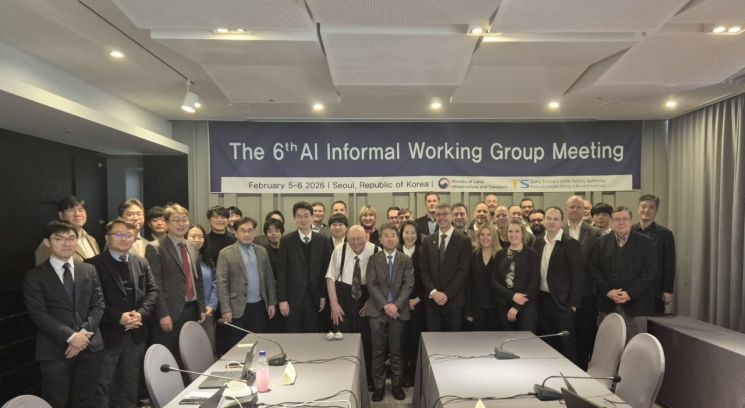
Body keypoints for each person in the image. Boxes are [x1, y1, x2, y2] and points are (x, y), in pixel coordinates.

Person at [24, 220, 104, 408]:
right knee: (56, 401)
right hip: (54, 349)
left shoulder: (88, 269)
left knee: (85, 400)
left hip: (89, 346)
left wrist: (82, 335)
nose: (66, 243)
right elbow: (38, 313)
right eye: (59, 239)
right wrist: (71, 337)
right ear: (47, 242)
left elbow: (99, 305)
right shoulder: (34, 276)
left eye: (71, 238)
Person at [86, 220, 158, 408]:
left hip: (136, 333)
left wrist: (141, 314)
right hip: (107, 334)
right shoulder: (92, 265)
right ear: (107, 238)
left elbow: (153, 291)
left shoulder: (140, 262)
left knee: (130, 385)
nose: (124, 239)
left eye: (129, 235)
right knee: (103, 386)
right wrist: (119, 317)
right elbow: (92, 300)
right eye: (118, 234)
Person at [145, 203, 206, 366]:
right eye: (176, 220)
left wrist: (201, 308)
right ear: (166, 223)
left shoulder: (192, 247)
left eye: (184, 220)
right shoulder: (155, 248)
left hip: (191, 310)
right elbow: (155, 285)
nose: (181, 224)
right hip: (170, 313)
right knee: (167, 359)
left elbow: (198, 280)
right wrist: (162, 314)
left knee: (188, 356)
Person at [591, 206, 657, 341]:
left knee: (635, 346)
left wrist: (630, 294)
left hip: (636, 306)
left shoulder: (645, 243)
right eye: (617, 219)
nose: (621, 222)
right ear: (612, 222)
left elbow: (650, 273)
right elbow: (594, 270)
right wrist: (608, 291)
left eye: (624, 219)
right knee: (608, 345)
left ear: (630, 221)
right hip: (607, 305)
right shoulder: (600, 243)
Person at [366, 223, 414, 402]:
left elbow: (408, 284)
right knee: (377, 352)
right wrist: (386, 305)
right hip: (377, 312)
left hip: (398, 312)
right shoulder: (373, 259)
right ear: (380, 239)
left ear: (398, 237)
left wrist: (396, 305)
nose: (390, 238)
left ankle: (397, 386)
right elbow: (371, 284)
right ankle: (379, 387)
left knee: (397, 351)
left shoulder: (405, 259)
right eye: (385, 235)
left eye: (393, 235)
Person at [325, 225, 376, 390]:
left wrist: (372, 302)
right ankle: (343, 380)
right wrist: (334, 304)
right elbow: (330, 278)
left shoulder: (376, 250)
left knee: (366, 341)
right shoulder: (339, 250)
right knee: (343, 340)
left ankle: (367, 380)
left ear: (366, 237)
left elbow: (381, 282)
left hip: (367, 299)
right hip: (342, 298)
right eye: (352, 240)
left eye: (359, 239)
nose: (355, 243)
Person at [216, 217, 277, 348]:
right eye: (242, 230)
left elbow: (269, 278)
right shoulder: (225, 253)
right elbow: (221, 284)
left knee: (259, 343)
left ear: (254, 232)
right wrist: (225, 309)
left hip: (260, 306)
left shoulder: (262, 251)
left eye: (250, 230)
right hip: (236, 308)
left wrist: (272, 302)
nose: (246, 234)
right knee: (238, 345)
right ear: (235, 233)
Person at [533, 207, 582, 363]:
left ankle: (571, 375)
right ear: (544, 220)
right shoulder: (538, 242)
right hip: (543, 300)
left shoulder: (571, 244)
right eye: (548, 218)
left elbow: (577, 275)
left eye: (555, 219)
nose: (551, 222)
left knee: (566, 344)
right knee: (547, 343)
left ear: (562, 222)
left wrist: (573, 304)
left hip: (563, 303)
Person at [276, 202, 332, 332]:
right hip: (292, 299)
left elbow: (326, 270)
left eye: (306, 216)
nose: (303, 220)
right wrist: (282, 299)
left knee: (312, 334)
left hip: (315, 298)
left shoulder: (322, 240)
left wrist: (323, 295)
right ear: (294, 219)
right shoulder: (286, 241)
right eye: (299, 216)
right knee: (293, 333)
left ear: (312, 217)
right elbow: (281, 272)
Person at [419, 203, 472, 331]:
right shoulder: (428, 240)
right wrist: (434, 292)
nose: (441, 217)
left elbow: (463, 271)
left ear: (451, 216)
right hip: (432, 302)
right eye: (438, 214)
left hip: (454, 302)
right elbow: (424, 270)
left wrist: (446, 294)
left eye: (445, 214)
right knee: (434, 340)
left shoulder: (464, 241)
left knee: (453, 341)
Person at [632, 194, 676, 313]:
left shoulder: (665, 234)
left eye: (651, 207)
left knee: (654, 322)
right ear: (638, 209)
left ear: (656, 210)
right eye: (643, 206)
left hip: (655, 289)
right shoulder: (630, 231)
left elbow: (669, 263)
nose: (646, 210)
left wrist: (668, 290)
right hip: (632, 289)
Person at [493, 219, 539, 332]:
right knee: (507, 339)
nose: (513, 234)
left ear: (523, 233)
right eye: (510, 231)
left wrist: (516, 307)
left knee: (525, 340)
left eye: (517, 231)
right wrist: (512, 296)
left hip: (526, 307)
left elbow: (534, 282)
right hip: (504, 304)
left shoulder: (532, 254)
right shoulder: (500, 254)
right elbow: (494, 281)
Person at [35, 196, 100, 265]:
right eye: (71, 210)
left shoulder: (92, 240)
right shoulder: (50, 244)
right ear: (61, 215)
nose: (77, 214)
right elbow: (43, 269)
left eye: (80, 210)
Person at [186, 225, 219, 353]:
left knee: (207, 349)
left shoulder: (206, 260)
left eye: (200, 237)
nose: (197, 240)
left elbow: (215, 283)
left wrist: (211, 305)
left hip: (207, 312)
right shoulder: (183, 259)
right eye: (193, 236)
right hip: (189, 311)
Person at [399, 221, 424, 388]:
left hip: (418, 303)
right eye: (406, 232)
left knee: (415, 340)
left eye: (413, 232)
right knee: (401, 341)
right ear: (401, 234)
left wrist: (418, 299)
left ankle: (415, 374)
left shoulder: (424, 252)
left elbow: (428, 277)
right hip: (399, 304)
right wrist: (401, 301)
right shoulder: (395, 251)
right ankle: (402, 375)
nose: (409, 236)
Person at [466, 224, 501, 331]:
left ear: (494, 237)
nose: (485, 237)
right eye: (482, 234)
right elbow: (468, 284)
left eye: (489, 234)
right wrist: (468, 311)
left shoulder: (502, 256)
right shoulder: (472, 256)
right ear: (478, 237)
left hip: (497, 308)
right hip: (477, 307)